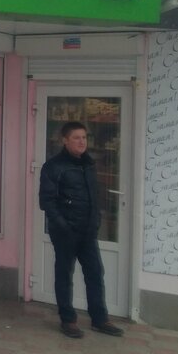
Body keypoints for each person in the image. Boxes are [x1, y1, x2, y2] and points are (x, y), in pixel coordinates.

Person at [38, 121, 125, 338]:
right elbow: (47, 201)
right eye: (76, 138)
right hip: (65, 233)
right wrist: (63, 226)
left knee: (95, 273)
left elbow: (94, 196)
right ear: (65, 140)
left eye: (84, 137)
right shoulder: (53, 166)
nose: (82, 142)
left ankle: (100, 319)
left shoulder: (89, 164)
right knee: (64, 275)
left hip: (87, 231)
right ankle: (68, 320)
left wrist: (96, 221)